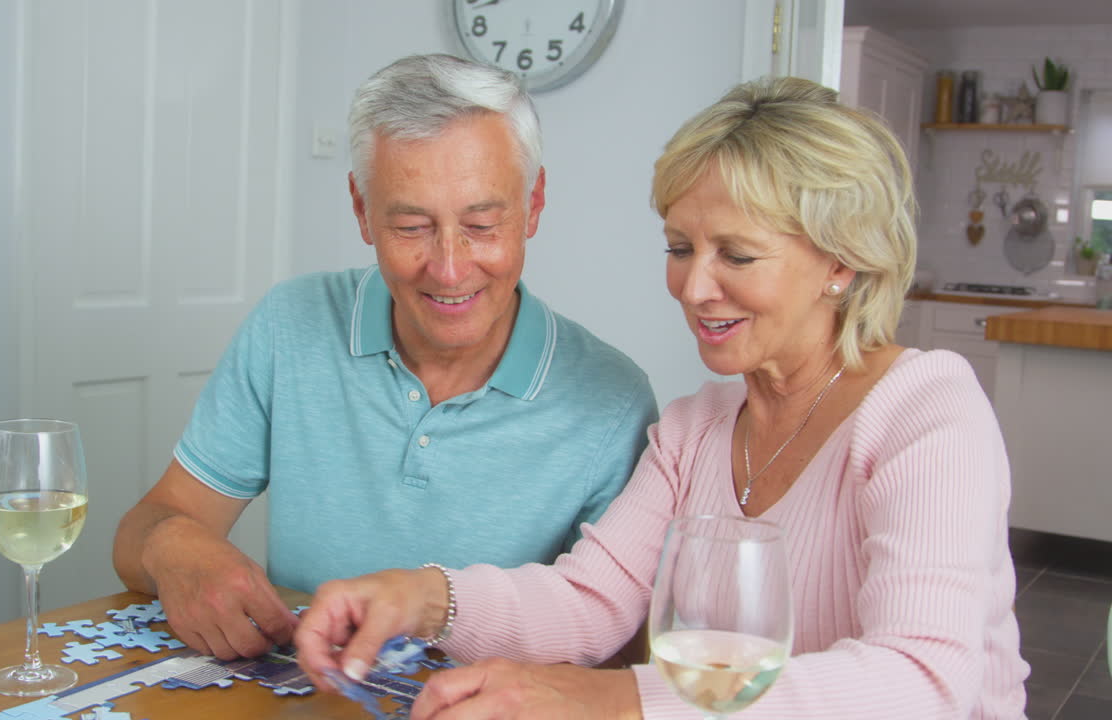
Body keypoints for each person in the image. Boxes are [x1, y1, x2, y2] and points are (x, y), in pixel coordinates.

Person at [295, 76, 1029, 719]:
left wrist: (619, 702)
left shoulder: (927, 413)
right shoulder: (696, 430)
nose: (694, 287)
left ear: (840, 260)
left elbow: (922, 681)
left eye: (735, 255)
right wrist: (421, 595)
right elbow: (587, 601)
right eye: (680, 248)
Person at [111, 53, 659, 662]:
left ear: (533, 204)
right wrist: (173, 548)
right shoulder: (288, 325)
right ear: (361, 208)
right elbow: (146, 527)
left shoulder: (614, 402)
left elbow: (618, 651)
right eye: (411, 227)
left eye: (481, 224)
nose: (450, 268)